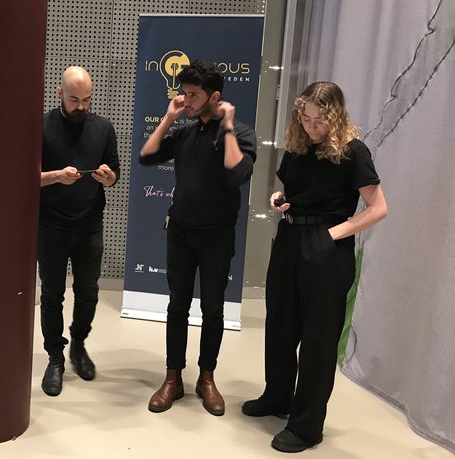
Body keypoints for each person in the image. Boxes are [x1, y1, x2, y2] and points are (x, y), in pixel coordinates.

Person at [242, 82, 387, 453]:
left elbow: (377, 208)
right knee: (280, 326)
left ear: (335, 116)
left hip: (326, 250)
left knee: (318, 341)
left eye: (319, 120)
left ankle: (306, 426)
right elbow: (292, 191)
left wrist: (331, 235)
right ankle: (277, 397)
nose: (311, 126)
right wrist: (280, 199)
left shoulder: (354, 152)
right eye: (305, 118)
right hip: (289, 241)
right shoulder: (299, 145)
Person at [139, 60, 257, 416]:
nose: (186, 99)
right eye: (184, 93)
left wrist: (229, 125)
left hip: (217, 236)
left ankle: (207, 378)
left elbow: (238, 173)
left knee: (213, 309)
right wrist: (170, 117)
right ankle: (172, 378)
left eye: (193, 95)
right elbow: (146, 156)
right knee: (177, 305)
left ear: (214, 96)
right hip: (181, 231)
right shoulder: (185, 131)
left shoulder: (241, 133)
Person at [38, 66, 120, 397]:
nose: (81, 106)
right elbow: (23, 177)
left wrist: (107, 177)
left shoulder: (103, 128)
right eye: (74, 99)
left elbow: (114, 172)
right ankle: (54, 356)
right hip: (50, 223)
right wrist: (55, 176)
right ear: (60, 93)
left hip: (90, 223)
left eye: (86, 99)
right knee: (51, 294)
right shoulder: (41, 126)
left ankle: (79, 345)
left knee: (88, 291)